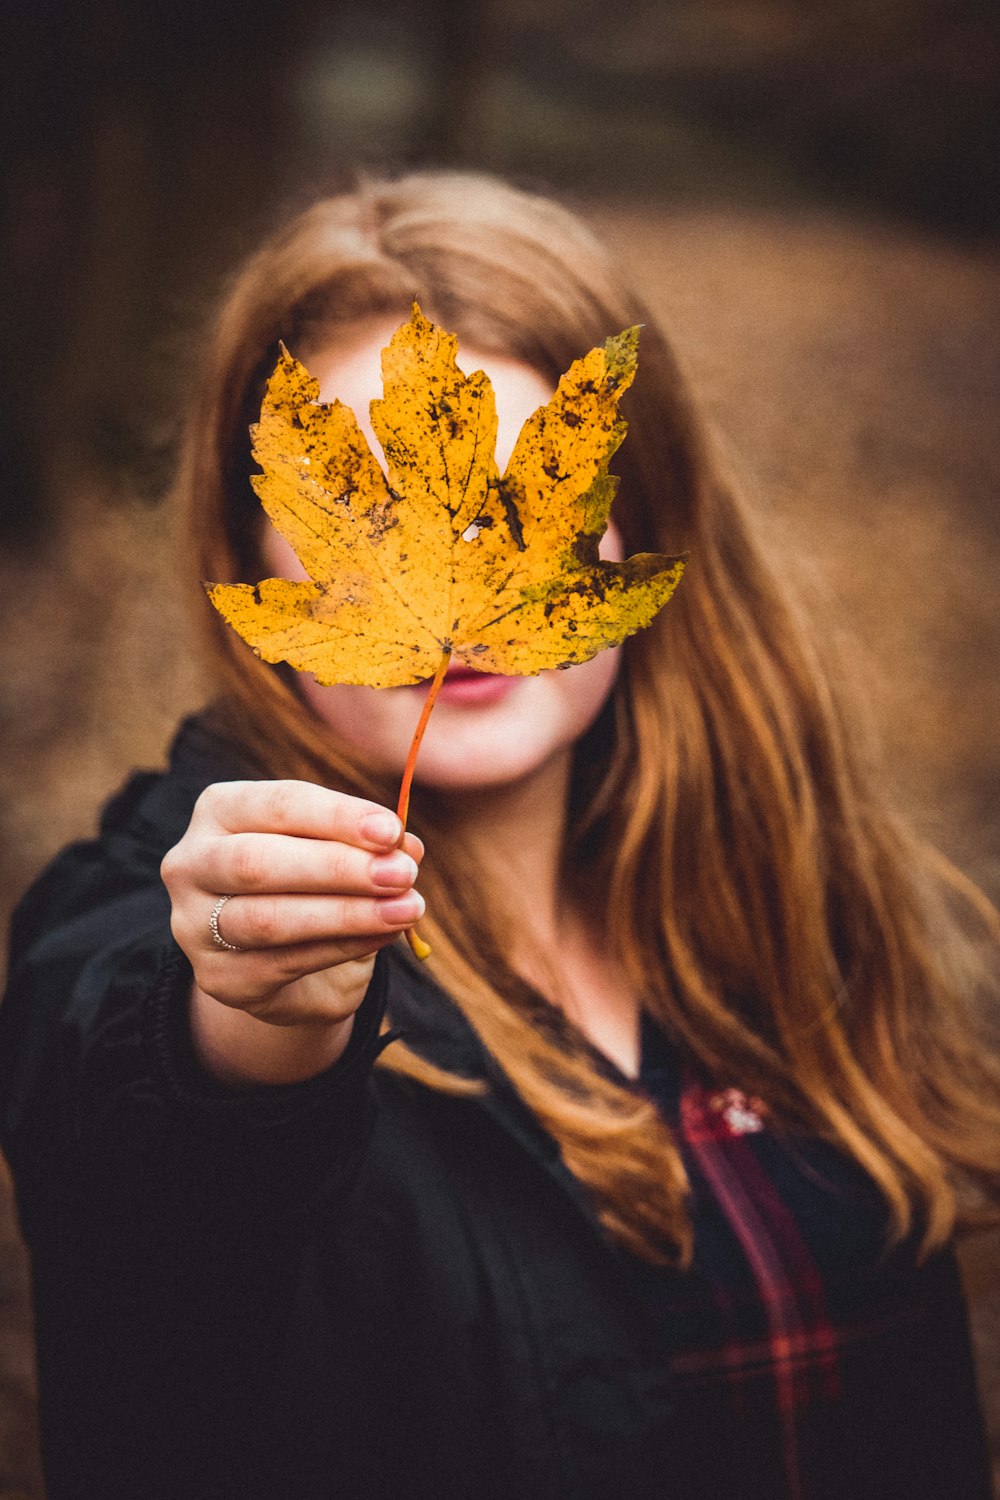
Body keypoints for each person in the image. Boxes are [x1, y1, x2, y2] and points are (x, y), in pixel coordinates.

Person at [1, 170, 998, 1500]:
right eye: (363, 515)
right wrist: (252, 1020)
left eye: (517, 496)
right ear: (251, 546)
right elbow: (150, 1158)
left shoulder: (784, 906)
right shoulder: (148, 918)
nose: (460, 575)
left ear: (631, 515)